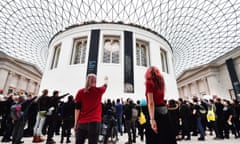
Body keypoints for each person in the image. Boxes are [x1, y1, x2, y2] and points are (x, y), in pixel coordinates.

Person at [144, 66, 177, 144]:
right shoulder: (161, 83)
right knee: (167, 137)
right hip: (165, 112)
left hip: (155, 112)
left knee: (154, 138)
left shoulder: (149, 82)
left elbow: (151, 102)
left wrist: (152, 120)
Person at [74, 74, 108, 144]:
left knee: (79, 142)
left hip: (82, 122)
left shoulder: (80, 92)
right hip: (94, 122)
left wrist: (75, 123)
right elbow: (105, 86)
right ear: (95, 81)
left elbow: (77, 109)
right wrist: (106, 81)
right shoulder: (99, 91)